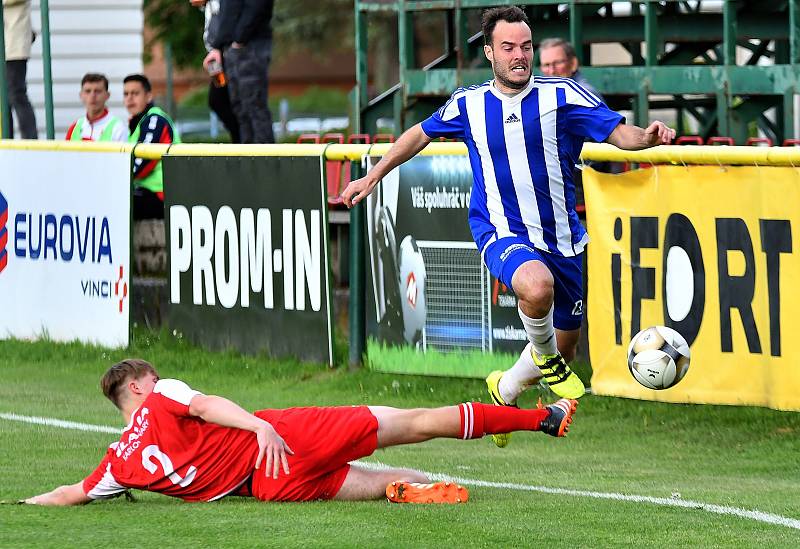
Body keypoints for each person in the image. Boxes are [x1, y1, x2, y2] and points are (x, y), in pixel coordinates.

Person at [341, 7, 675, 448]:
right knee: (536, 288)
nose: (520, 56)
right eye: (508, 47)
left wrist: (648, 137)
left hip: (563, 238)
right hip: (501, 229)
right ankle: (546, 361)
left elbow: (619, 134)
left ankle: (508, 388)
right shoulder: (469, 103)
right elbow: (418, 134)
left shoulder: (564, 96)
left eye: (526, 47)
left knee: (567, 344)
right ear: (490, 52)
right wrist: (372, 174)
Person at [22, 358, 578, 505]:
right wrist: (260, 425)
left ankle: (412, 486)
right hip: (283, 439)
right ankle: (540, 418)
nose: (160, 379)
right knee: (411, 424)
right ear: (139, 386)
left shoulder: (117, 462)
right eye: (154, 376)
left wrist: (21, 501)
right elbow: (210, 404)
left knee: (377, 481)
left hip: (266, 487)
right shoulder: (163, 396)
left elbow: (70, 494)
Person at [207, 0, 275, 143]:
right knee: (241, 110)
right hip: (233, 49)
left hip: (250, 47)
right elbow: (228, 13)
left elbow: (258, 6)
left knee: (254, 107)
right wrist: (218, 47)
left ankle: (265, 161)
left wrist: (239, 39)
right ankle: (248, 161)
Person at [123, 74, 181, 220]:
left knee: (115, 201)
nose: (129, 98)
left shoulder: (155, 119)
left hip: (164, 195)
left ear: (148, 96)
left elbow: (142, 164)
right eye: (126, 94)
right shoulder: (138, 122)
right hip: (147, 192)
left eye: (135, 93)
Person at [190, 0, 241, 143]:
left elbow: (226, 22)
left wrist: (218, 49)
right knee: (220, 101)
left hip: (227, 55)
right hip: (218, 56)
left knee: (221, 100)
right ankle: (238, 139)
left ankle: (242, 140)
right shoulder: (209, 6)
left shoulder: (221, 4)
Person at [2, 0, 37, 138]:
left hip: (14, 44)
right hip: (7, 42)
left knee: (16, 93)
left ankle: (30, 139)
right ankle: (5, 138)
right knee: (4, 99)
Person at [65, 73, 128, 142]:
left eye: (98, 91)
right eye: (88, 91)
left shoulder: (118, 129)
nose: (92, 96)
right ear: (81, 95)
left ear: (107, 95)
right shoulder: (74, 127)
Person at [538, 37, 603, 101]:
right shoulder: (541, 95)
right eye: (546, 65)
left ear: (573, 64)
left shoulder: (585, 95)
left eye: (557, 63)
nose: (552, 71)